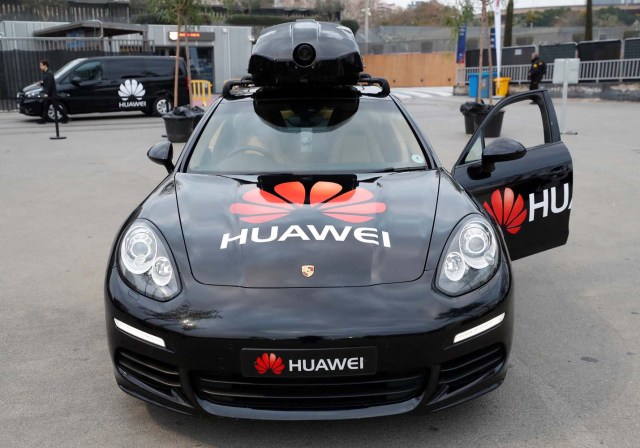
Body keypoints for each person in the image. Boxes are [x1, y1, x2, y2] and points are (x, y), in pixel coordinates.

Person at [38, 59, 69, 124]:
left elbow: (49, 84)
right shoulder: (45, 73)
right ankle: (43, 120)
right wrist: (40, 84)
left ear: (45, 65)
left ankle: (66, 117)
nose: (40, 67)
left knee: (56, 106)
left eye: (41, 65)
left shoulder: (49, 73)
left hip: (51, 93)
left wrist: (46, 93)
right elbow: (46, 83)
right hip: (49, 93)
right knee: (46, 106)